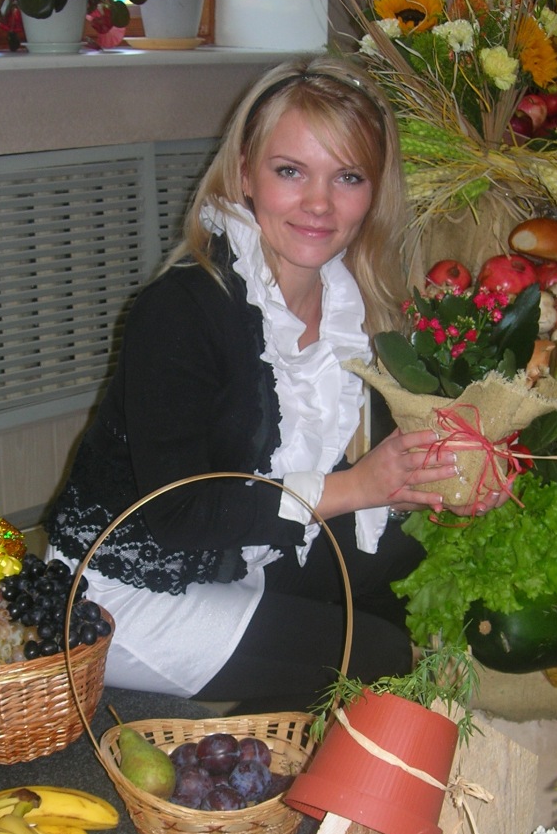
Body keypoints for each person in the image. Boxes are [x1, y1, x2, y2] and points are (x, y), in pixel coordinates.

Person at [45, 55, 473, 712]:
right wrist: (359, 487)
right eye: (290, 171)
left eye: (348, 177)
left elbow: (351, 469)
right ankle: (239, 747)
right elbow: (177, 515)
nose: (319, 204)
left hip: (236, 553)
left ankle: (280, 711)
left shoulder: (352, 303)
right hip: (128, 589)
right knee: (378, 654)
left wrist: (440, 478)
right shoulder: (180, 309)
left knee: (400, 569)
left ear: (375, 190)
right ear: (245, 174)